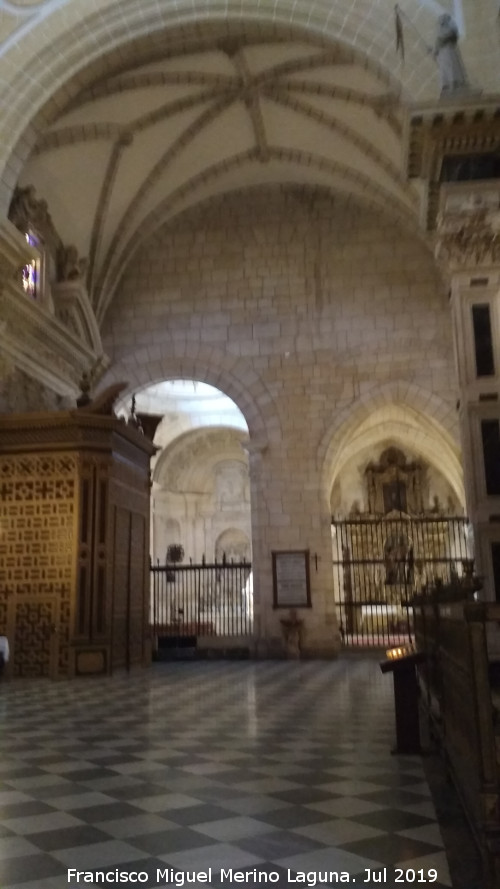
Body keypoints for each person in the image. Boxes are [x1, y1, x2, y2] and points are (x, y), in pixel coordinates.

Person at [434, 14, 468, 94]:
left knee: (452, 67)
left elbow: (442, 39)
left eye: (443, 21)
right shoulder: (442, 31)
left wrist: (435, 49)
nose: (441, 22)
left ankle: (453, 83)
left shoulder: (449, 30)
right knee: (445, 68)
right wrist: (434, 50)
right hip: (443, 53)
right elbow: (438, 43)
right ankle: (447, 84)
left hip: (448, 51)